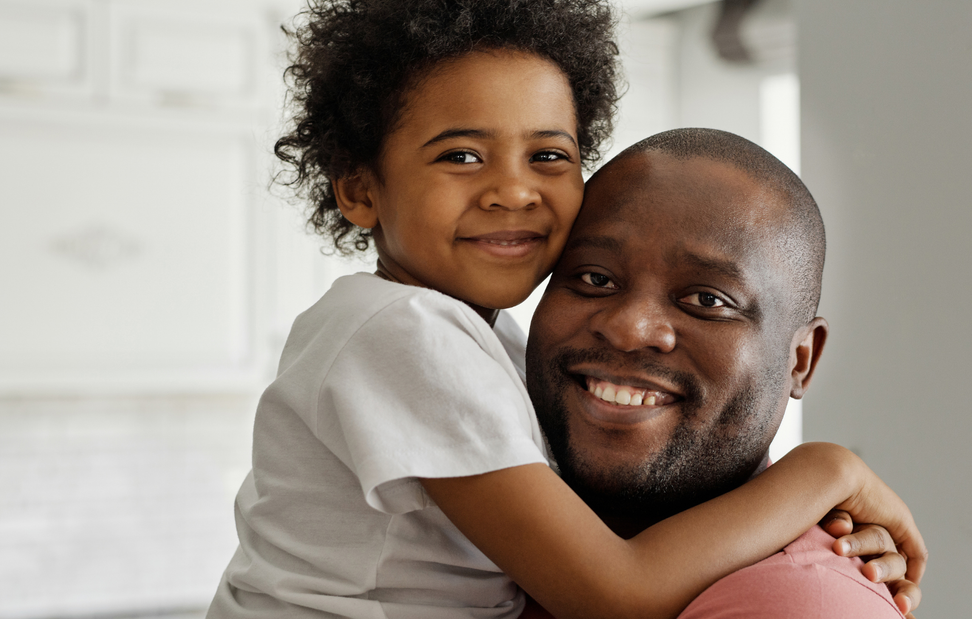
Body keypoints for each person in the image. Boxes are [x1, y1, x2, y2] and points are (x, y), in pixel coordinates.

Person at [207, 0, 926, 617]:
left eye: (547, 156)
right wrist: (827, 471)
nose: (514, 191)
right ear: (361, 190)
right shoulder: (403, 333)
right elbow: (615, 592)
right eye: (461, 156)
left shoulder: (481, 339)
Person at [524, 128, 926, 619]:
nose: (629, 329)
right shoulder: (482, 510)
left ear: (801, 359)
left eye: (708, 300)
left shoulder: (798, 605)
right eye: (595, 278)